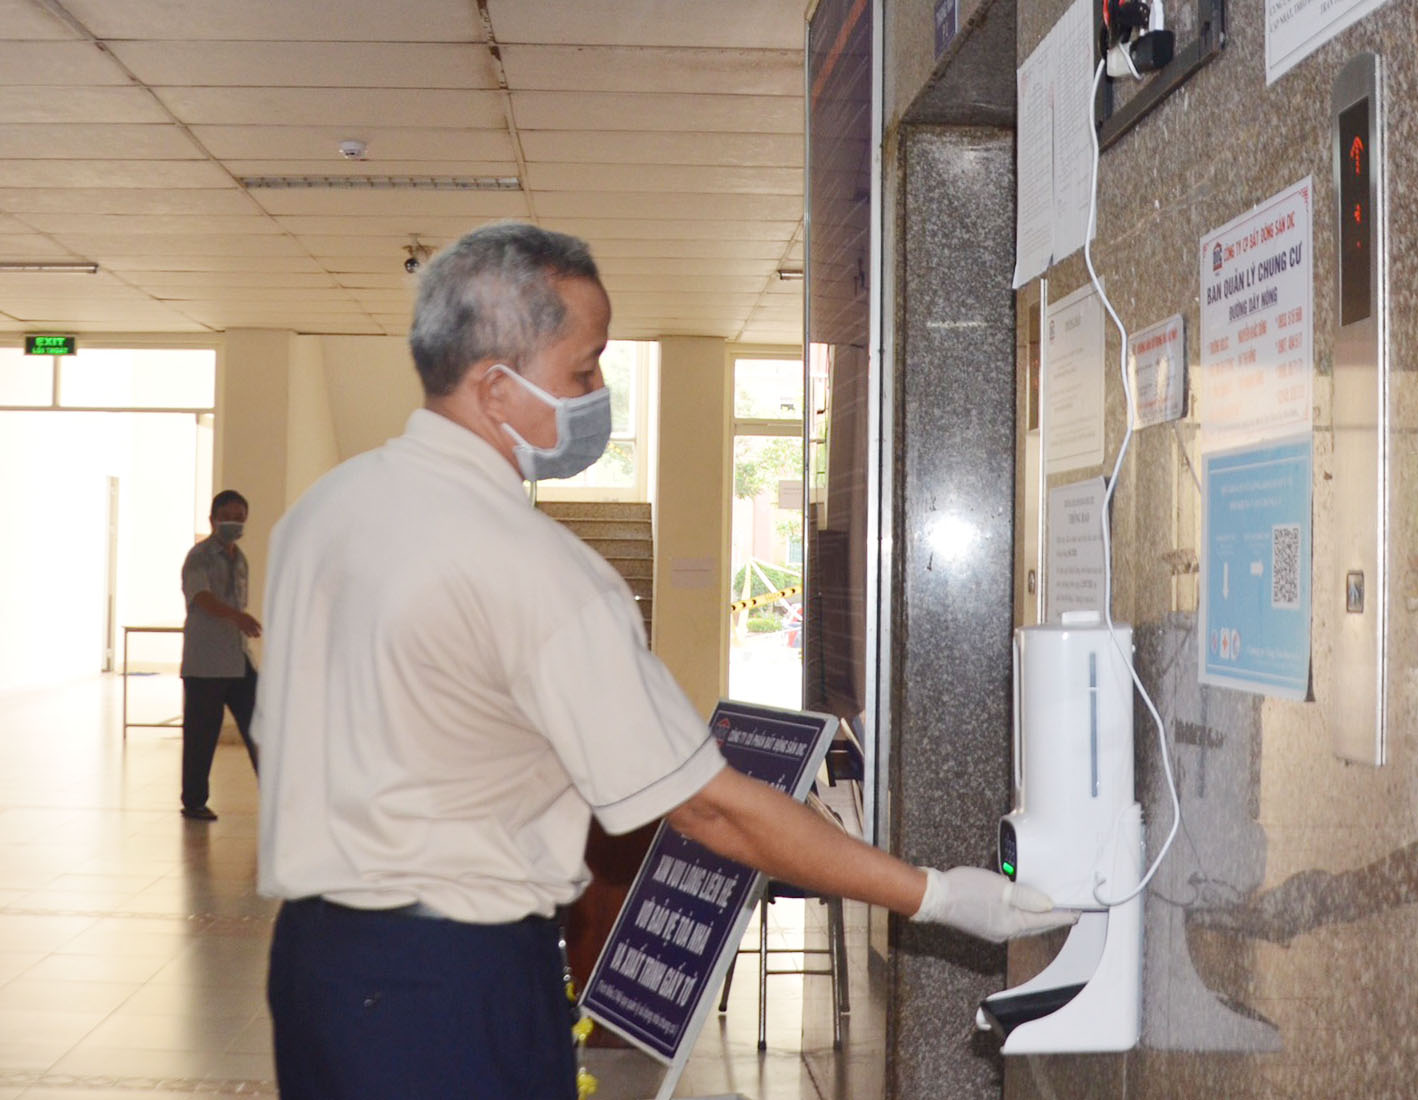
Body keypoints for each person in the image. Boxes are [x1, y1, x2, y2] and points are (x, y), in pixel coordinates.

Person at [254, 223, 1075, 1100]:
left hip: (317, 968)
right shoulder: (536, 567)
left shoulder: (322, 512)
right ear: (496, 387)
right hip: (451, 981)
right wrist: (943, 897)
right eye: (584, 368)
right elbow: (712, 813)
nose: (599, 390)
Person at [179, 489, 261, 821]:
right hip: (206, 663)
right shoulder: (199, 557)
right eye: (228, 516)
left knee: (261, 726)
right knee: (202, 735)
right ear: (213, 519)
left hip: (237, 659)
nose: (235, 522)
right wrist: (236, 617)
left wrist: (240, 624)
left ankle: (277, 794)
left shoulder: (240, 558)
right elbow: (201, 597)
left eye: (240, 517)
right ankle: (195, 802)